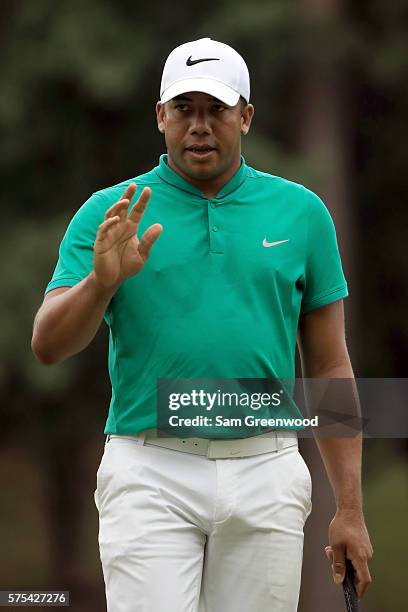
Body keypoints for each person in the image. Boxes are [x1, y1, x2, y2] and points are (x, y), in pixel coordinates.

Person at [31, 37, 373, 612]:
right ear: (160, 116)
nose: (200, 126)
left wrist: (351, 508)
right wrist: (102, 282)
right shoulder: (110, 212)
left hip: (267, 471)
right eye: (184, 108)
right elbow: (48, 344)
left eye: (216, 109)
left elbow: (329, 364)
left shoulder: (302, 213)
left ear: (246, 115)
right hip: (149, 472)